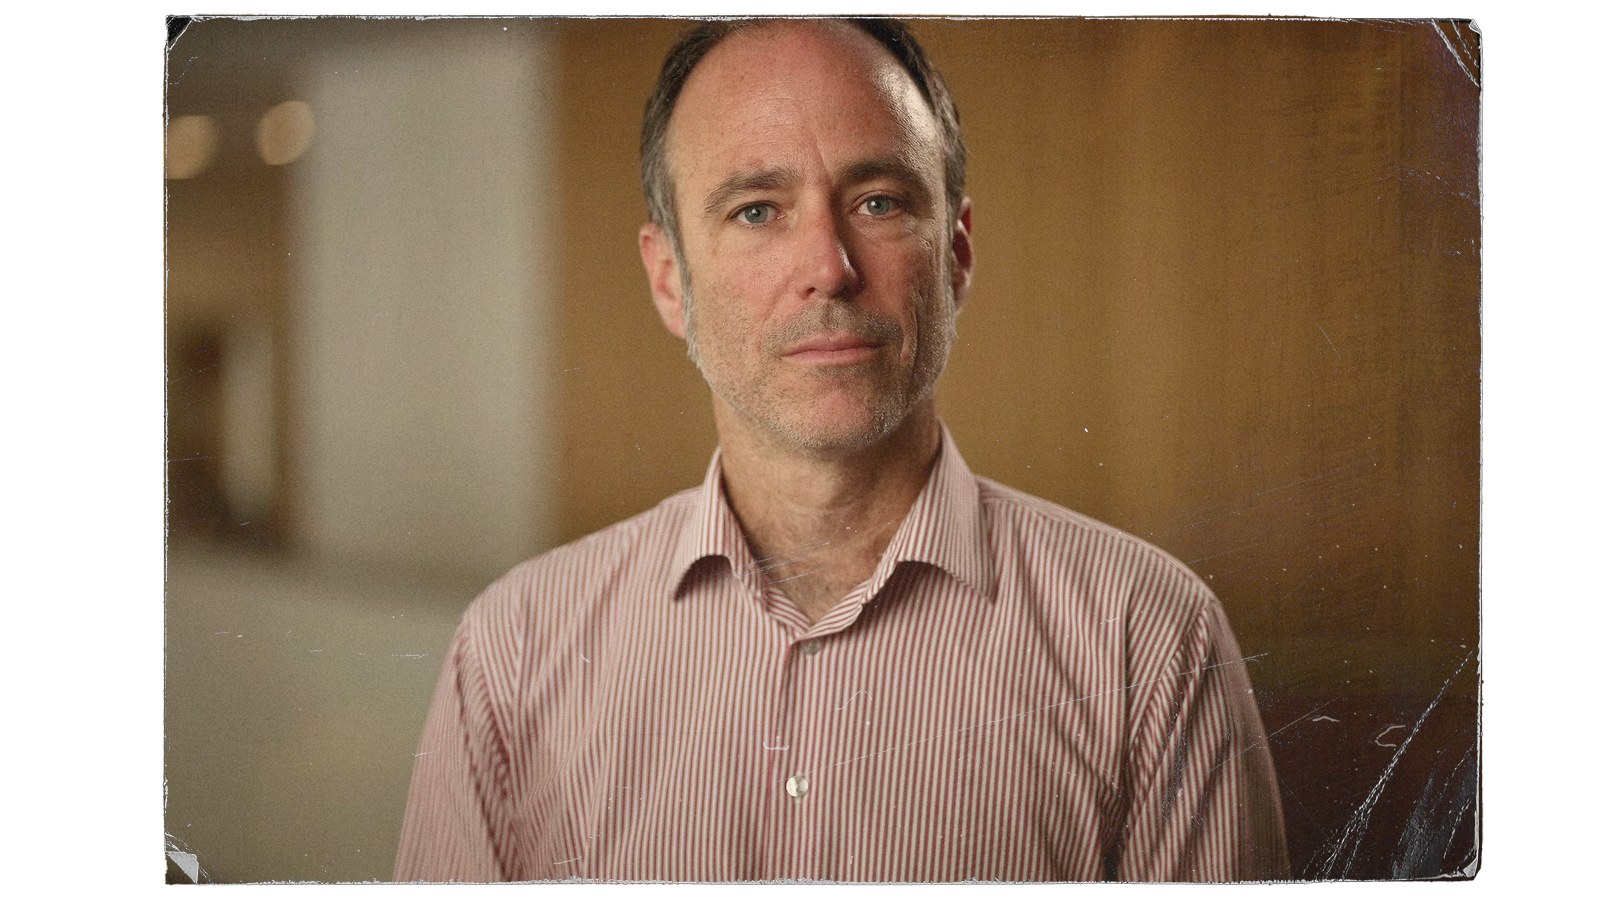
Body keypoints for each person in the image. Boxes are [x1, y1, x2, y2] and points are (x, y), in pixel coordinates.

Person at [395, 17, 1289, 883]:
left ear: (957, 253)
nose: (828, 263)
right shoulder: (512, 651)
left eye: (878, 202)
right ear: (670, 280)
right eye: (756, 210)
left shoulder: (1151, 641)